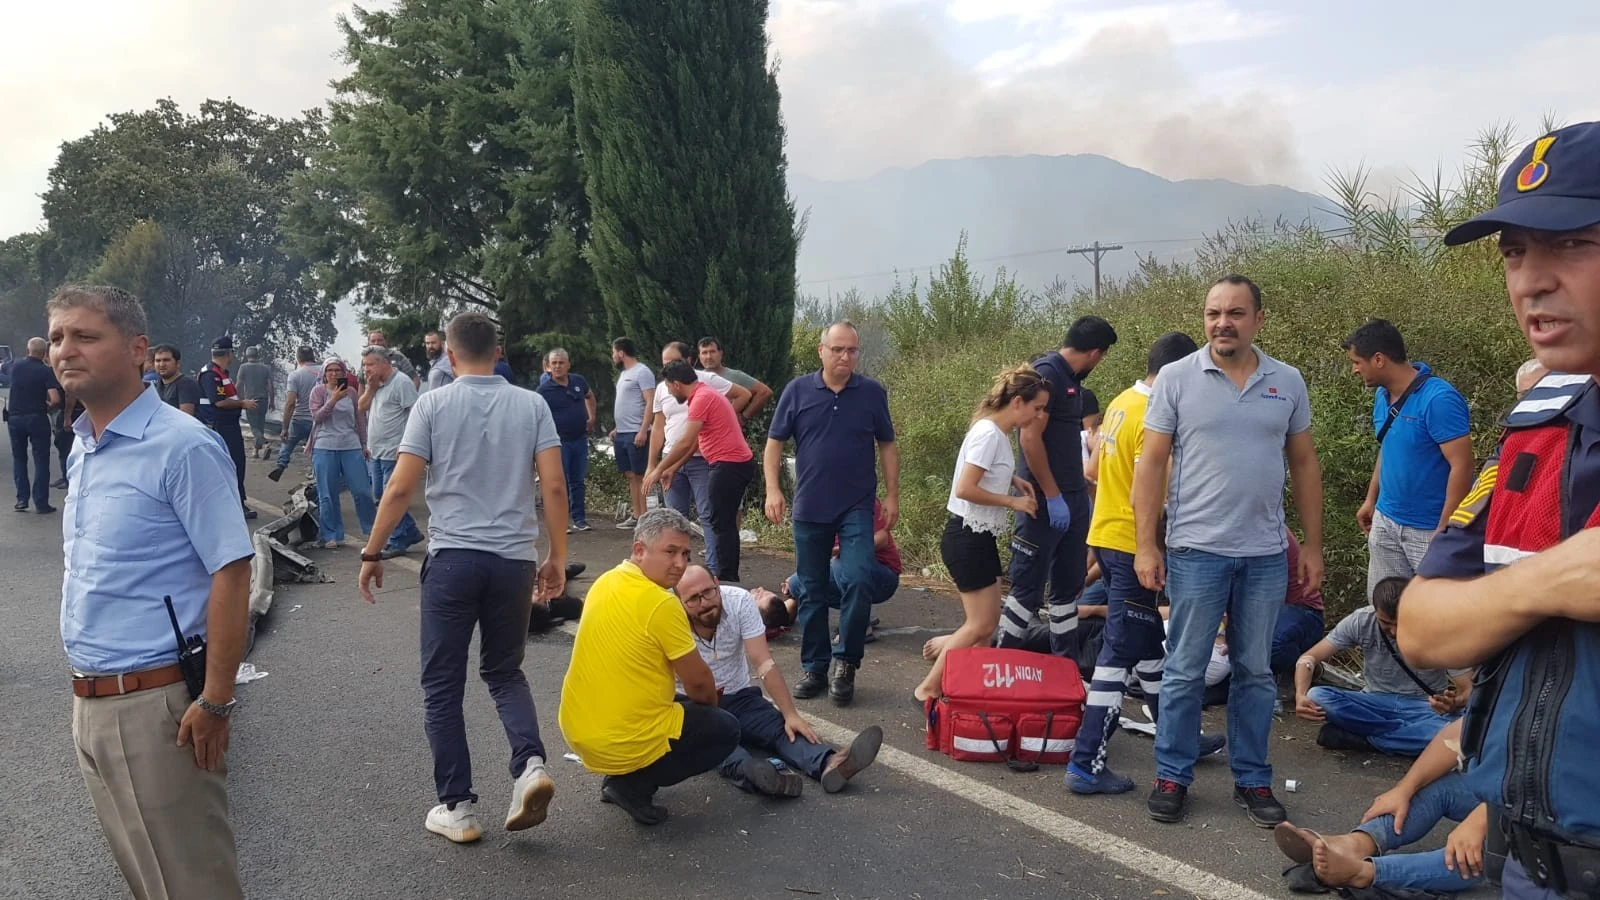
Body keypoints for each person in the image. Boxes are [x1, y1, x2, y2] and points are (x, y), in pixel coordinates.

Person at [1398, 121, 1600, 897]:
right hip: (1529, 865)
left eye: (1572, 244)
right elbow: (1422, 628)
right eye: (1515, 252)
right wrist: (1548, 583)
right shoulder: (1534, 433)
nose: (1531, 282)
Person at [49, 285, 253, 900]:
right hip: (90, 698)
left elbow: (232, 570)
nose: (65, 350)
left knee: (193, 886)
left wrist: (216, 700)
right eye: (57, 337)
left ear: (137, 349)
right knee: (148, 883)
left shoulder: (182, 445)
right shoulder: (86, 445)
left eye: (85, 336)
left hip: (156, 707)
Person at [358, 310, 568, 844]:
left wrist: (372, 551)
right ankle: (530, 765)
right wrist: (556, 556)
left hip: (453, 559)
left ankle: (457, 807)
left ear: (449, 356)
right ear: (498, 352)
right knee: (505, 672)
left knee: (442, 685)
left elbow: (400, 487)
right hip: (513, 560)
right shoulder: (533, 405)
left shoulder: (432, 404)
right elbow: (554, 486)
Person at [1134, 274, 1324, 828]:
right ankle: (1172, 775)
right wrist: (1145, 545)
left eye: (1235, 313)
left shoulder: (1286, 381)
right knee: (1185, 669)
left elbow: (1304, 463)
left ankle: (1253, 780)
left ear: (1258, 319)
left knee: (1255, 673)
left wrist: (1312, 545)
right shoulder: (1177, 378)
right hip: (1195, 550)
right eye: (1214, 313)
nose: (1223, 323)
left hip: (1265, 555)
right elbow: (1151, 464)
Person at [1066, 331, 1201, 794]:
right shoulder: (1154, 414)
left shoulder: (1122, 402)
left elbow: (1092, 472)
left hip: (1106, 533)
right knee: (1120, 649)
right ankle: (1086, 760)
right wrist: (1155, 542)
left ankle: (1179, 735)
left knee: (1145, 642)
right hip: (1132, 543)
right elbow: (1148, 486)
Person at [558, 509, 740, 826]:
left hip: (579, 728)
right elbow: (700, 684)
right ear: (639, 550)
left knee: (680, 705)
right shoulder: (662, 603)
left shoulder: (606, 581)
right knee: (724, 729)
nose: (680, 563)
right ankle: (631, 785)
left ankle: (623, 772)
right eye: (670, 552)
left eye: (685, 554)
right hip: (615, 740)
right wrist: (709, 711)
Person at [765, 322, 898, 706]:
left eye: (852, 350)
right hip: (810, 508)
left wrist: (892, 495)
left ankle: (846, 663)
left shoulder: (871, 393)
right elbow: (774, 444)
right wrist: (773, 489)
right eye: (837, 349)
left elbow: (887, 445)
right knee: (811, 589)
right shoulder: (798, 391)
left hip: (856, 508)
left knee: (857, 579)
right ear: (821, 351)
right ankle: (815, 667)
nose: (845, 357)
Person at [674, 565, 883, 797]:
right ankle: (757, 774)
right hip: (693, 705)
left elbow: (763, 662)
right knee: (719, 744)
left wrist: (790, 714)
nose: (704, 602)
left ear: (716, 582)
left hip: (738, 696)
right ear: (678, 600)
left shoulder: (739, 601)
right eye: (693, 599)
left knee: (780, 727)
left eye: (708, 592)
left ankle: (829, 763)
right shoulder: (666, 617)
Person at [914, 365, 1048, 701]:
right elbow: (965, 488)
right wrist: (1012, 501)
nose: (1039, 415)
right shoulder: (989, 433)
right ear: (1017, 402)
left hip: (979, 536)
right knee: (980, 625)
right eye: (1037, 408)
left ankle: (971, 690)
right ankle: (928, 689)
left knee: (987, 627)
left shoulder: (997, 433)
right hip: (966, 537)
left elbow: (984, 472)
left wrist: (1011, 480)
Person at [996, 316, 1117, 662]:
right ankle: (1002, 663)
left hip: (1072, 497)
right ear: (1095, 353)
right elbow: (1029, 438)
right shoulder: (1047, 373)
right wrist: (1052, 494)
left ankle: (1065, 667)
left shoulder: (1072, 381)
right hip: (1042, 500)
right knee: (1027, 588)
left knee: (1067, 592)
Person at [1273, 719, 1485, 895]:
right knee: (1437, 786)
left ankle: (1364, 872)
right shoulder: (1497, 684)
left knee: (1483, 850)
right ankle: (1354, 845)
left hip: (1505, 811)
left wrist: (1479, 821)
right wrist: (1404, 789)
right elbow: (1460, 731)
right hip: (1495, 797)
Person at [1344, 319, 1475, 596]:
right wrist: (1371, 499)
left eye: (1357, 362)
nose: (1354, 369)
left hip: (1428, 529)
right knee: (1384, 606)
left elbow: (1462, 465)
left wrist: (1446, 527)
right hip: (1386, 522)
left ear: (1378, 359)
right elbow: (1388, 446)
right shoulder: (1382, 396)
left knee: (1435, 610)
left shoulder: (1438, 399)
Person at [1294, 577, 1470, 756]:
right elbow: (1308, 658)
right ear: (1375, 610)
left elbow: (1468, 689)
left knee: (1466, 730)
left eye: (1400, 623)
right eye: (1386, 623)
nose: (1393, 631)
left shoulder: (1439, 629)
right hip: (1373, 702)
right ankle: (1405, 736)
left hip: (1423, 706)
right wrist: (1300, 695)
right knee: (1317, 695)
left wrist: (1453, 703)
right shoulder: (1361, 620)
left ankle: (1369, 739)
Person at [645, 359, 757, 582]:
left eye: (668, 387)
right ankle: (725, 576)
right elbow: (696, 441)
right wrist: (674, 467)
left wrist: (658, 469)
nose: (669, 392)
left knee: (720, 523)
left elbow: (685, 442)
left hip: (729, 465)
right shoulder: (703, 395)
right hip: (729, 464)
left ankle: (725, 579)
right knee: (722, 521)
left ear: (677, 384)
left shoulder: (702, 398)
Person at [783, 498, 902, 629]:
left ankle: (858, 625)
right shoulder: (817, 506)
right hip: (845, 567)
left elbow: (883, 539)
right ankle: (859, 612)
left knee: (844, 562)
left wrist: (844, 550)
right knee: (796, 584)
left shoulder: (862, 498)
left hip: (883, 574)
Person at [358, 347, 424, 559]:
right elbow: (361, 407)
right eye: (364, 365)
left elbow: (416, 413)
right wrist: (371, 389)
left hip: (393, 450)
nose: (366, 369)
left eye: (370, 364)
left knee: (389, 496)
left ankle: (398, 540)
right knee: (379, 495)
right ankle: (409, 531)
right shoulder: (375, 384)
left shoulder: (401, 382)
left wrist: (407, 445)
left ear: (384, 363)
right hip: (376, 450)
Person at [307, 358, 377, 549]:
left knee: (362, 490)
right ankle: (331, 534)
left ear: (344, 373)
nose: (334, 374)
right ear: (324, 373)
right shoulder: (318, 391)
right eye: (330, 370)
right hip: (324, 445)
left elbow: (359, 418)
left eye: (338, 370)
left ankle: (372, 529)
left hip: (350, 445)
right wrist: (334, 399)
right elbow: (317, 417)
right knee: (327, 493)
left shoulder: (351, 392)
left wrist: (364, 443)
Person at [536, 348, 597, 532]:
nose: (557, 366)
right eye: (554, 363)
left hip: (579, 439)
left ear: (568, 364)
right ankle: (561, 521)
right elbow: (536, 416)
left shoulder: (578, 381)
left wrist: (591, 418)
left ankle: (580, 519)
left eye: (561, 363)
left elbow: (589, 396)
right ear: (548, 366)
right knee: (559, 483)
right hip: (557, 443)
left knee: (577, 481)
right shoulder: (543, 391)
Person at [196, 336, 257, 520]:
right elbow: (219, 402)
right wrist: (243, 403)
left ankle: (236, 500)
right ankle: (235, 503)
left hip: (228, 425)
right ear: (229, 353)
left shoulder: (221, 373)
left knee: (236, 463)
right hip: (220, 426)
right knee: (232, 464)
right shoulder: (211, 375)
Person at [7, 336, 61, 513]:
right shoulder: (45, 371)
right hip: (37, 418)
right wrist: (48, 406)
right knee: (41, 460)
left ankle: (22, 499)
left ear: (27, 350)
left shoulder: (14, 366)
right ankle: (41, 503)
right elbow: (55, 399)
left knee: (19, 458)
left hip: (15, 418)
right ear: (45, 353)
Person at [609, 337, 656, 528]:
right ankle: (636, 515)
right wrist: (617, 428)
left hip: (637, 432)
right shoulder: (624, 374)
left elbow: (650, 401)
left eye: (613, 352)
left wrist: (643, 430)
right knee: (630, 475)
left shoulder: (642, 372)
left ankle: (644, 518)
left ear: (621, 353)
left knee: (639, 475)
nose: (613, 356)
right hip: (622, 433)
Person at [269, 347, 321, 482]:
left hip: (299, 419)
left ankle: (281, 464)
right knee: (317, 449)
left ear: (298, 358)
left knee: (288, 442)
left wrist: (284, 428)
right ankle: (316, 473)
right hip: (318, 419)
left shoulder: (295, 375)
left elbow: (290, 403)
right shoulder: (324, 372)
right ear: (313, 356)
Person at [697, 337, 774, 422]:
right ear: (699, 356)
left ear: (720, 353)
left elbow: (765, 392)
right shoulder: (695, 378)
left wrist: (744, 417)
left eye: (712, 352)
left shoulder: (735, 376)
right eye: (704, 353)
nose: (708, 357)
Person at [234, 345, 274, 458]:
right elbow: (270, 386)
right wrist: (272, 401)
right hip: (264, 400)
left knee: (254, 427)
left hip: (251, 401)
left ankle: (265, 443)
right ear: (257, 355)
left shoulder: (243, 367)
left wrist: (237, 399)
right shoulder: (265, 368)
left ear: (246, 355)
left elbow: (239, 384)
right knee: (260, 425)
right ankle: (256, 451)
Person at [151, 344, 200, 416]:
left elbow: (185, 417)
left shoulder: (186, 384)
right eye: (158, 361)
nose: (161, 364)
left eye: (166, 360)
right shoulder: (156, 385)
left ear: (178, 363)